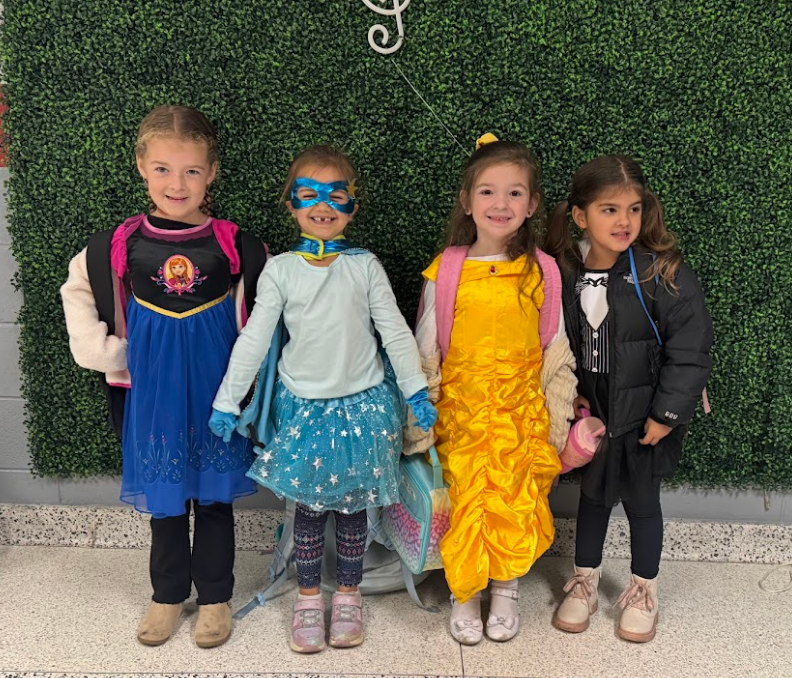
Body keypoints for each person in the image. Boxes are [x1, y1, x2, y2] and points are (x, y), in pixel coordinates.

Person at [209, 145, 437, 653]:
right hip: (304, 412)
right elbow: (254, 338)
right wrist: (228, 400)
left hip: (364, 409)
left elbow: (396, 333)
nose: (323, 205)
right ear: (290, 204)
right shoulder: (281, 271)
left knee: (355, 514)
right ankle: (310, 600)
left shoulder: (366, 267)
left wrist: (415, 390)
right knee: (309, 512)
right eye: (308, 194)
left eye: (337, 195)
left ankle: (349, 597)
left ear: (353, 204)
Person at [60, 105, 268, 648]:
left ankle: (216, 598)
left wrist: (248, 379)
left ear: (212, 171)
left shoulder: (238, 246)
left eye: (192, 171)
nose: (177, 184)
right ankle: (167, 595)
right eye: (163, 169)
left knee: (216, 500)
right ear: (141, 166)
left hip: (216, 395)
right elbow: (77, 292)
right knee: (165, 497)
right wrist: (106, 353)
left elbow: (270, 315)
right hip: (152, 395)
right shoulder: (116, 245)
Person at [412, 134, 577, 645]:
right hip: (461, 413)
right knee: (464, 499)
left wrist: (557, 414)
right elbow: (425, 347)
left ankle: (506, 587)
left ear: (531, 205)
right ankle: (466, 590)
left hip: (519, 412)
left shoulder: (543, 271)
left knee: (519, 498)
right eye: (487, 192)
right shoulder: (448, 268)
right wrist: (421, 415)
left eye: (513, 193)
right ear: (467, 201)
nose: (499, 204)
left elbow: (556, 349)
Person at [544, 154, 712, 643]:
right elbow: (558, 346)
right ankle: (584, 582)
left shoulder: (660, 274)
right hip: (594, 416)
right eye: (609, 209)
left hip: (645, 417)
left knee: (642, 501)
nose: (624, 221)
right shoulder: (564, 274)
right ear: (580, 215)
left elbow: (690, 349)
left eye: (633, 209)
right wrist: (569, 398)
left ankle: (643, 591)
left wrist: (666, 414)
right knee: (592, 498)